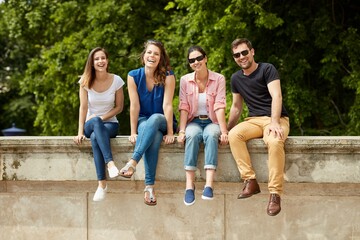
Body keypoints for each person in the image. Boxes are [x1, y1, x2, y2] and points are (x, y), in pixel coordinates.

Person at [227, 38, 290, 216]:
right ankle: (250, 181)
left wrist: (275, 122)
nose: (241, 57)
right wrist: (226, 129)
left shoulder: (267, 69)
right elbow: (237, 107)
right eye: (237, 55)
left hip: (276, 118)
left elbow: (276, 96)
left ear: (252, 52)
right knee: (234, 135)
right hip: (253, 120)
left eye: (244, 52)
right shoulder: (236, 78)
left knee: (275, 142)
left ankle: (275, 194)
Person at [119, 39, 177, 206]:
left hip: (163, 120)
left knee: (156, 119)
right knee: (153, 136)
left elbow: (167, 104)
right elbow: (134, 106)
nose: (152, 56)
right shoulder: (133, 76)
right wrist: (133, 132)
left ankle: (133, 161)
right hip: (145, 122)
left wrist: (171, 133)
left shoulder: (168, 76)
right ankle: (149, 187)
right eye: (149, 52)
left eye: (156, 54)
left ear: (160, 58)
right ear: (144, 56)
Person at [177, 46, 228, 206]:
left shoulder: (219, 79)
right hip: (194, 121)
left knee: (212, 135)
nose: (196, 62)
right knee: (191, 136)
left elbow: (219, 106)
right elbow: (184, 107)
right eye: (192, 60)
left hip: (212, 121)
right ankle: (189, 186)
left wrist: (224, 131)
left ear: (205, 58)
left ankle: (208, 185)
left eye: (199, 58)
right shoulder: (185, 80)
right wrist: (182, 130)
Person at [74, 47, 125, 202]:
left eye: (103, 58)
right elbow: (83, 108)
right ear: (92, 62)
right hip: (90, 124)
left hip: (110, 125)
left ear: (107, 60)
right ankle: (110, 164)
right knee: (95, 124)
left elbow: (119, 107)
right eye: (97, 59)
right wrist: (80, 131)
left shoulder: (116, 80)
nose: (100, 61)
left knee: (97, 135)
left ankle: (102, 185)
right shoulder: (84, 81)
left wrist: (102, 118)